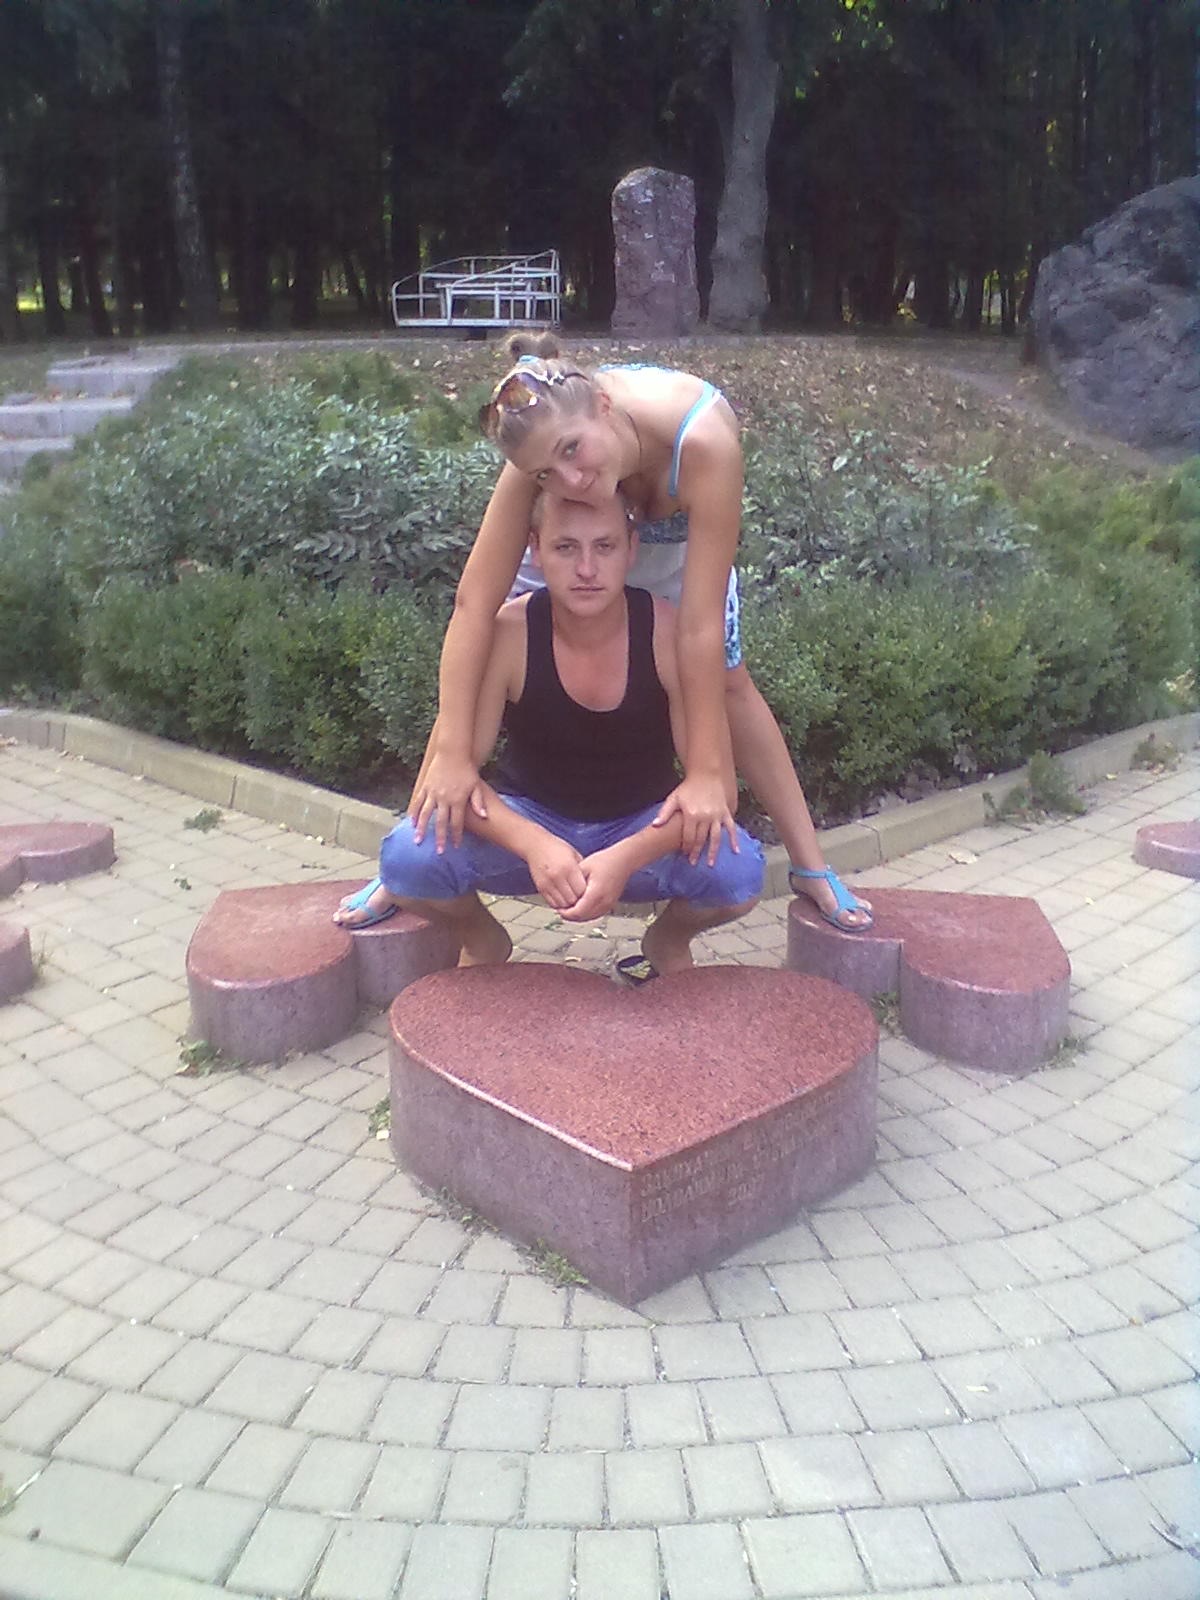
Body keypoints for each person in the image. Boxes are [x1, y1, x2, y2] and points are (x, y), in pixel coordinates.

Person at [409, 333, 872, 932]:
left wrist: (706, 775)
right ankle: (415, 844)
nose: (571, 478)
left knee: (728, 680)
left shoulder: (702, 443)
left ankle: (810, 866)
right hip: (578, 536)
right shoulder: (546, 436)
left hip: (672, 549)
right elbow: (474, 603)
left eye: (573, 452)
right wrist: (450, 754)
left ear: (604, 406)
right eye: (547, 472)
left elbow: (699, 627)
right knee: (493, 647)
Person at [335, 495, 764, 978]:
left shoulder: (670, 634)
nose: (587, 569)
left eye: (604, 546)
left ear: (631, 549)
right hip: (529, 818)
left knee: (737, 871)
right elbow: (452, 779)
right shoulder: (510, 632)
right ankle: (482, 938)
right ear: (535, 550)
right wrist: (534, 845)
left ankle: (666, 940)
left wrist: (626, 857)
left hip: (640, 825)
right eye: (566, 547)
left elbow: (716, 793)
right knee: (407, 860)